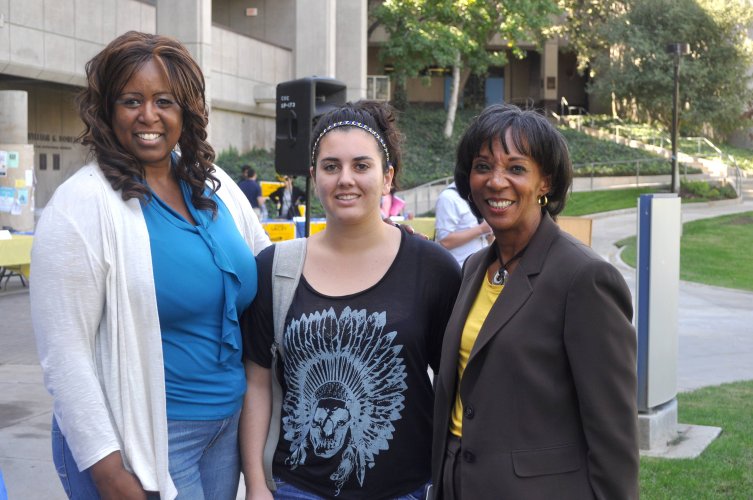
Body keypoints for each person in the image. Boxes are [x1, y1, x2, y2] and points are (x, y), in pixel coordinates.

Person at [30, 31, 271, 499]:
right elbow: (65, 354)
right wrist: (107, 470)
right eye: (131, 101)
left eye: (164, 101)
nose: (148, 115)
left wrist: (372, 245)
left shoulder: (213, 184)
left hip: (226, 429)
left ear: (186, 111)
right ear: (106, 110)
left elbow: (268, 264)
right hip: (144, 439)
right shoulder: (81, 205)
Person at [240, 101, 462, 499]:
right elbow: (257, 383)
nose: (346, 179)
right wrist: (256, 484)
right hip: (296, 489)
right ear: (314, 177)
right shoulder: (275, 268)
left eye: (361, 165)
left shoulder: (432, 268)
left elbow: (458, 385)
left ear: (387, 177)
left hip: (407, 489)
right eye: (331, 166)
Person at [431, 104, 638, 499]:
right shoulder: (474, 267)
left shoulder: (584, 277)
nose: (496, 181)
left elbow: (613, 434)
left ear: (546, 182)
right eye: (482, 166)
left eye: (516, 168)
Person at [434, 182, 492, 266]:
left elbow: (488, 239)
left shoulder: (479, 195)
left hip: (480, 267)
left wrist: (490, 233)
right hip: (459, 269)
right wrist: (481, 229)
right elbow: (445, 241)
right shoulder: (448, 197)